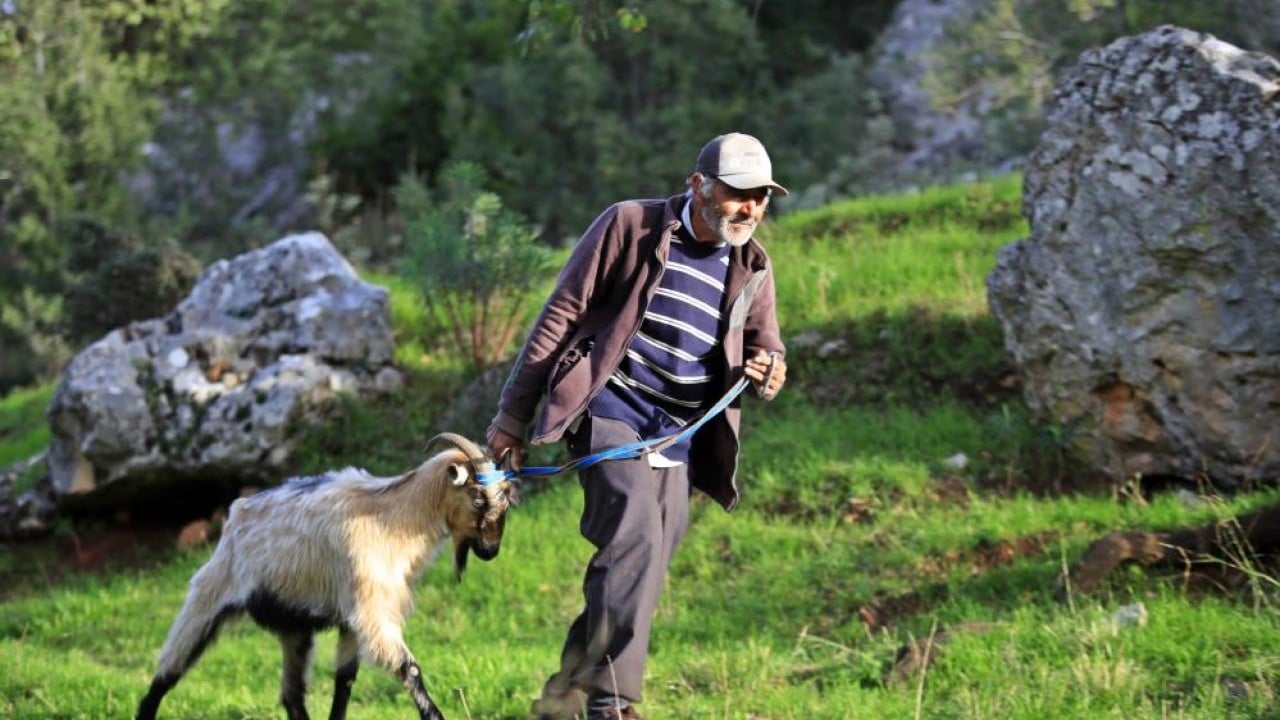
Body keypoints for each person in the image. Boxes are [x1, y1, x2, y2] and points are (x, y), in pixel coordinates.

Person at [486, 132, 789, 720]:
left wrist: (769, 369)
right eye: (737, 193)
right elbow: (560, 316)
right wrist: (511, 418)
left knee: (641, 569)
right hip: (610, 414)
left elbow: (767, 347)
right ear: (699, 186)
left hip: (679, 435)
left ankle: (561, 702)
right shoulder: (630, 225)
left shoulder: (753, 266)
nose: (749, 208)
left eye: (761, 197)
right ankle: (610, 703)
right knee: (634, 541)